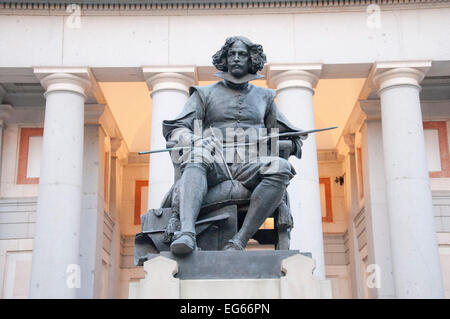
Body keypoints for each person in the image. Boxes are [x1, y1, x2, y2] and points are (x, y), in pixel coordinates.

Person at [162, 36, 305, 255]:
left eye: (242, 54)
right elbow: (178, 127)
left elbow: (291, 135)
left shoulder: (265, 97)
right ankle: (187, 234)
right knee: (198, 155)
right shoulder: (204, 94)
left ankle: (238, 241)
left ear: (251, 60)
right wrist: (192, 140)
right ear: (225, 59)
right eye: (231, 54)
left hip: (252, 164)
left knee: (280, 168)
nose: (236, 58)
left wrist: (291, 142)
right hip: (214, 162)